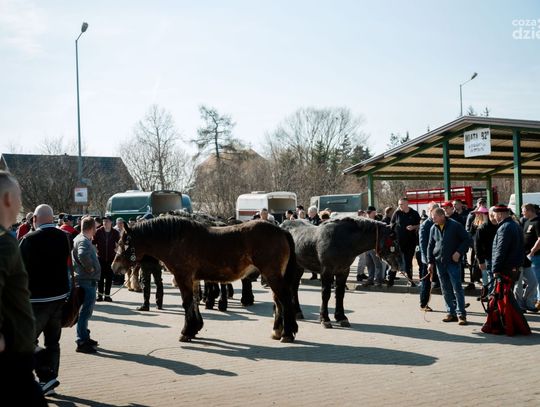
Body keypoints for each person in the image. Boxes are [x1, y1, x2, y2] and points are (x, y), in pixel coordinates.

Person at [0, 171, 47, 405]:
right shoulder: (4, 241)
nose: (21, 202)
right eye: (19, 195)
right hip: (12, 360)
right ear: (8, 199)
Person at [19, 204, 71, 396]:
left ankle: (45, 377)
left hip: (37, 300)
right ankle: (50, 381)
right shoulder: (64, 237)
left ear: (35, 219)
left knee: (26, 340)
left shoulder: (29, 239)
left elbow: (18, 270)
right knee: (53, 342)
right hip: (59, 298)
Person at [427, 208, 472, 325]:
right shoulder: (433, 228)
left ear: (442, 216)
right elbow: (430, 245)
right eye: (432, 217)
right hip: (439, 263)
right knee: (445, 288)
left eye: (434, 217)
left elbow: (467, 239)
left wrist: (459, 252)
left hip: (453, 262)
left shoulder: (455, 225)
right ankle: (450, 312)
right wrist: (430, 262)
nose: (433, 219)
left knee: (457, 288)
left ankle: (461, 314)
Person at [72, 216, 101, 353]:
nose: (96, 230)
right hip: (86, 281)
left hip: (85, 280)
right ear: (92, 228)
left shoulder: (80, 238)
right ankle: (82, 341)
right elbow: (83, 254)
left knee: (85, 312)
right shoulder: (83, 240)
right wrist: (91, 269)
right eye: (95, 227)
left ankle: (84, 336)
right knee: (85, 313)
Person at [515, 203, 540, 312]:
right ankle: (520, 304)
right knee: (519, 283)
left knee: (534, 281)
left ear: (529, 210)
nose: (522, 213)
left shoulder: (538, 222)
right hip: (523, 257)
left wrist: (532, 251)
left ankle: (529, 302)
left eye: (523, 211)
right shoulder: (526, 222)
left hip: (533, 257)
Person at [136, 215, 164, 311]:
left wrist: (137, 260)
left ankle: (146, 304)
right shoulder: (158, 233)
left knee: (146, 283)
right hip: (155, 261)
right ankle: (159, 304)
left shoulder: (143, 233)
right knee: (158, 283)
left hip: (146, 262)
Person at [391, 197, 420, 286]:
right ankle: (391, 279)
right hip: (398, 242)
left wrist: (414, 227)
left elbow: (420, 224)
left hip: (410, 241)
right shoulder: (397, 213)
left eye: (401, 204)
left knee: (408, 261)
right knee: (396, 260)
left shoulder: (414, 213)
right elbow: (391, 224)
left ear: (407, 204)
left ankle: (410, 280)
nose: (399, 206)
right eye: (399, 204)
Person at [93, 215, 121, 302]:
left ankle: (107, 296)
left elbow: (120, 243)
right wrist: (96, 251)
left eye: (107, 221)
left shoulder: (115, 232)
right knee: (100, 278)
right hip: (100, 258)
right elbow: (93, 243)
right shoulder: (98, 231)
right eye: (104, 221)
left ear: (111, 222)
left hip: (111, 258)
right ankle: (100, 296)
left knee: (109, 278)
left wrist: (116, 250)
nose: (105, 222)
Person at [418, 202, 439, 311]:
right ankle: (423, 304)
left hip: (439, 257)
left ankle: (455, 304)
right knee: (426, 283)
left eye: (436, 209)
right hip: (428, 260)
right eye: (432, 210)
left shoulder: (440, 222)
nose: (434, 212)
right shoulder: (425, 225)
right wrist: (427, 260)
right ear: (429, 211)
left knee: (446, 281)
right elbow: (423, 244)